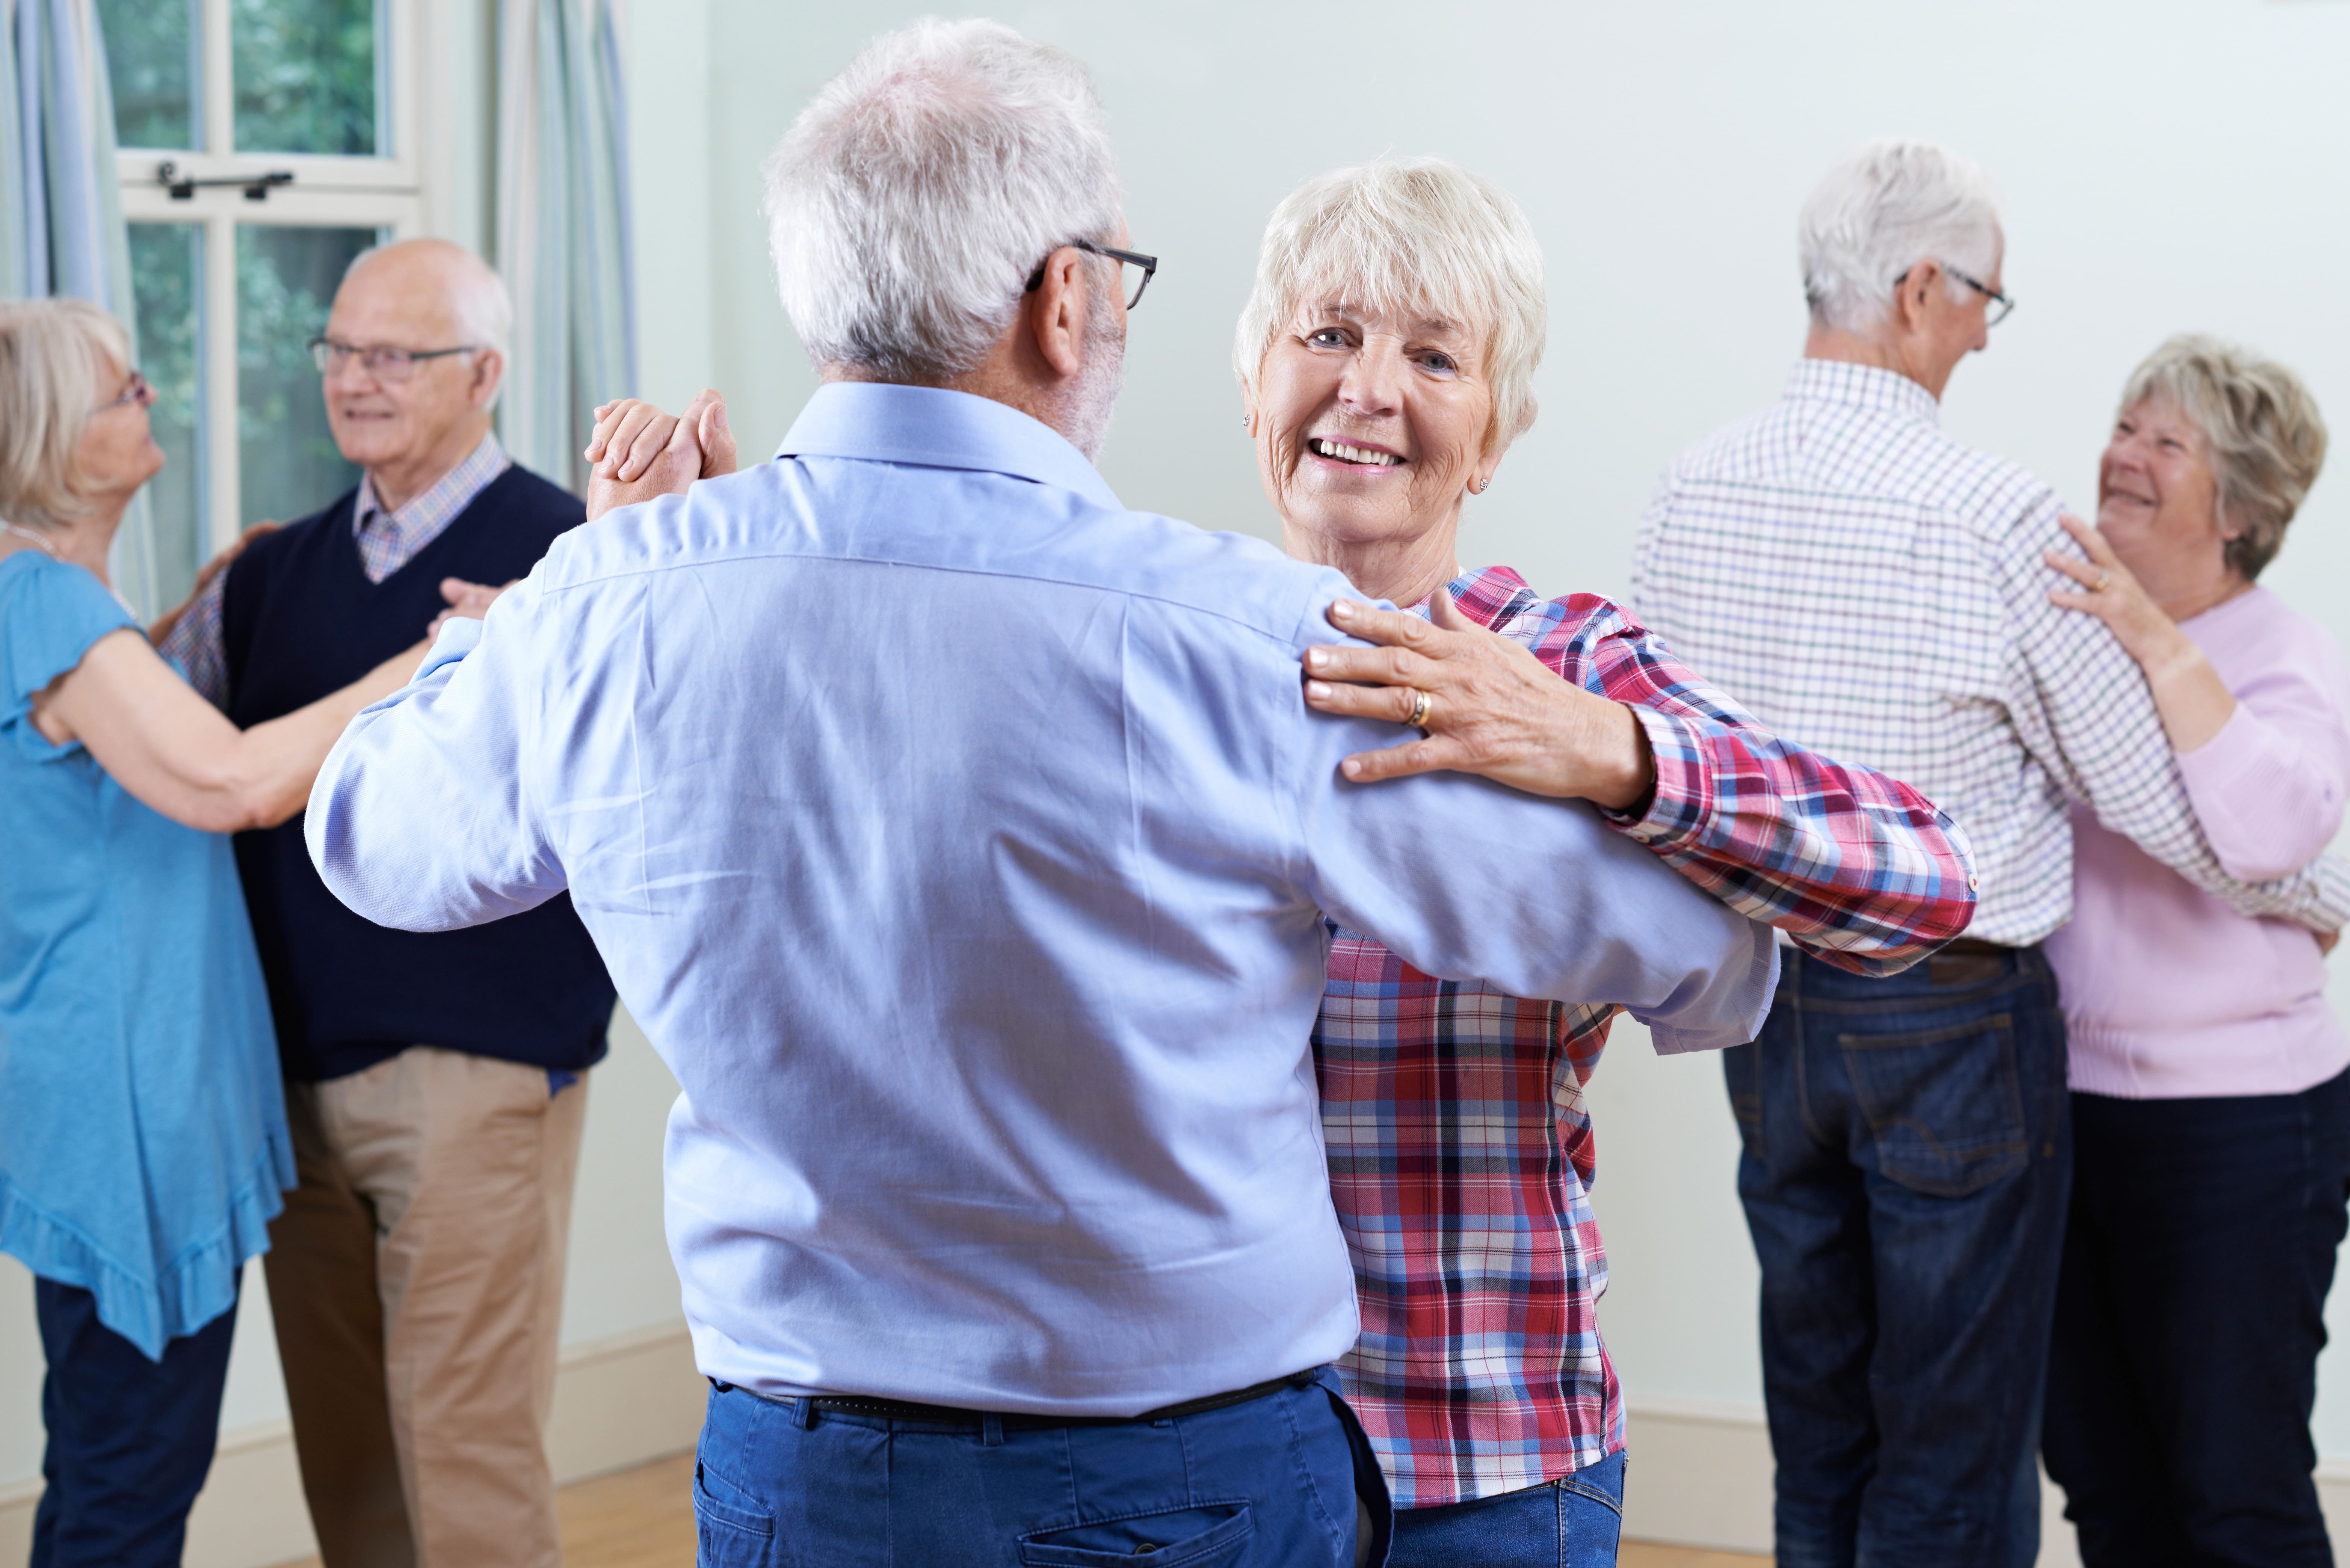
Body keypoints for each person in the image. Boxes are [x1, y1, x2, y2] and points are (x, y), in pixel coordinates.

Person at [304, 22, 1784, 1568]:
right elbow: (1693, 950)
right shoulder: (1244, 644)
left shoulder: (610, 600)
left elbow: (372, 840)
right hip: (1175, 1483)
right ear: (1063, 302)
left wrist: (574, 591)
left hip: (793, 1477)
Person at [1202, 157, 1975, 1566]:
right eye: (1328, 335)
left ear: (1493, 436)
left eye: (1436, 355)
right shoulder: (1160, 657)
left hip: (1491, 1461)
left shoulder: (1561, 662)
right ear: (1252, 384)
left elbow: (1918, 881)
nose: (1370, 388)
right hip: (1211, 1464)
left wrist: (1609, 751)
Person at [1629, 142, 2350, 1568]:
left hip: (1767, 1005)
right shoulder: (1992, 515)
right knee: (1954, 1441)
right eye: (1984, 302)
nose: (1981, 329)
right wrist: (2312, 893)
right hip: (1954, 1019)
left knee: (1823, 1409)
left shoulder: (1688, 489)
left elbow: (1668, 761)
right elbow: (2155, 797)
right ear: (1918, 291)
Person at [155, 238, 615, 1568]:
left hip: (476, 1078)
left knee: (467, 1472)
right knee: (347, 1476)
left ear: (485, 375)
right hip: (289, 1084)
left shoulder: (570, 560)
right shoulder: (270, 570)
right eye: (339, 349)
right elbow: (137, 735)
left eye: (393, 355)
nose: (355, 379)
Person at [0, 299, 434, 1566]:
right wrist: (443, 648)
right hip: (129, 1106)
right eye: (119, 393)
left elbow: (96, 766)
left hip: (97, 1083)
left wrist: (197, 602)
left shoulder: (59, 611)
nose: (151, 401)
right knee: (132, 1483)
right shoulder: (48, 610)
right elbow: (235, 782)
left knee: (99, 1459)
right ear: (47, 442)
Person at [2033, 337, 2349, 1568]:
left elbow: (2273, 828)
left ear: (2245, 509)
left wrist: (2158, 638)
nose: (2125, 455)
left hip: (2242, 1131)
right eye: (2125, 425)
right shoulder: (2068, 631)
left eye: (2169, 443)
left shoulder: (2281, 652)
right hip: (2064, 1112)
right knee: (2106, 1482)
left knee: (2235, 1488)